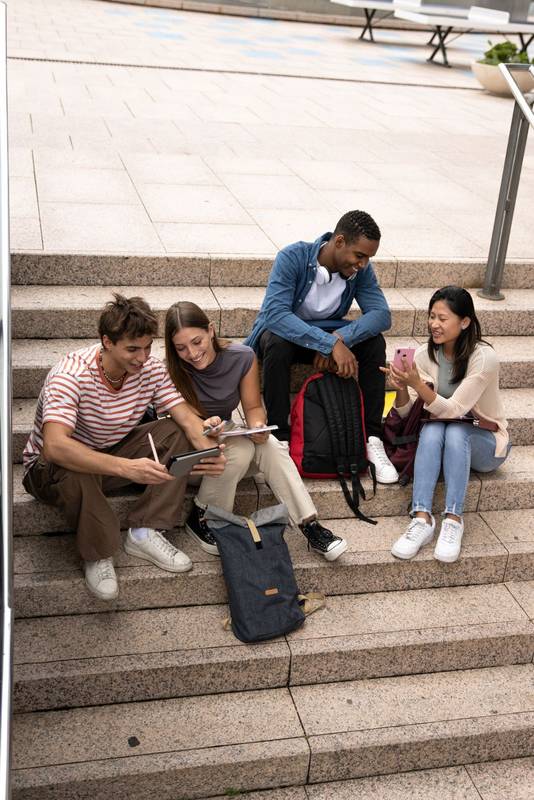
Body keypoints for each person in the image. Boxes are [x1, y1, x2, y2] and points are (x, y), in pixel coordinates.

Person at [22, 294, 226, 601]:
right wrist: (127, 467)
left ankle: (145, 530)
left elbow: (186, 418)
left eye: (147, 347)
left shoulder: (151, 369)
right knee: (70, 464)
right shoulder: (71, 376)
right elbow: (54, 447)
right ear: (107, 341)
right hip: (50, 471)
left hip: (109, 452)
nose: (142, 358)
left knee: (174, 429)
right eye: (132, 349)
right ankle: (98, 553)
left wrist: (212, 449)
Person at [164, 301, 348, 561]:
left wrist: (258, 426)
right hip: (190, 451)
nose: (192, 353)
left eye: (197, 342)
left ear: (211, 330)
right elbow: (184, 422)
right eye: (181, 348)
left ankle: (310, 525)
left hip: (223, 439)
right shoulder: (169, 370)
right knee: (238, 449)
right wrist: (211, 428)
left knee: (268, 443)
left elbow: (252, 407)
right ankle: (203, 516)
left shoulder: (242, 357)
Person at [244, 209, 398, 484]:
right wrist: (327, 343)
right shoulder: (293, 257)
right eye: (359, 256)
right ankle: (279, 438)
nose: (363, 264)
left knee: (374, 343)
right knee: (275, 343)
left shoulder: (360, 271)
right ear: (339, 242)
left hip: (332, 334)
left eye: (368, 258)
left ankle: (372, 438)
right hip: (288, 335)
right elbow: (275, 315)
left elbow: (381, 314)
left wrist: (338, 340)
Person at [385, 286, 510, 563]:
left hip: (487, 442)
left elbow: (455, 409)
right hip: (441, 435)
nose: (434, 325)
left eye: (443, 318)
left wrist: (417, 383)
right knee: (432, 427)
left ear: (464, 322)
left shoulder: (483, 358)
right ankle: (421, 518)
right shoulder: (423, 355)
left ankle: (453, 518)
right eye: (431, 317)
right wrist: (402, 388)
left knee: (455, 430)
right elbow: (408, 415)